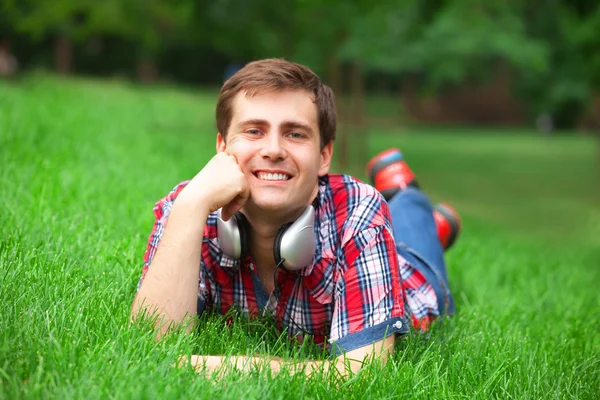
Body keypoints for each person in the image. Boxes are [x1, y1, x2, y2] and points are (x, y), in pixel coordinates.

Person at [131, 58, 461, 377]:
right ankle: (432, 223)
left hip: (412, 279)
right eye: (254, 131)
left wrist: (218, 367)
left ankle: (405, 195)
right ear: (221, 149)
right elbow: (149, 346)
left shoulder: (360, 210)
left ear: (323, 156)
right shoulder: (190, 202)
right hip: (365, 249)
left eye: (295, 134)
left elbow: (365, 372)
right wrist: (191, 207)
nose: (273, 150)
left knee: (413, 231)